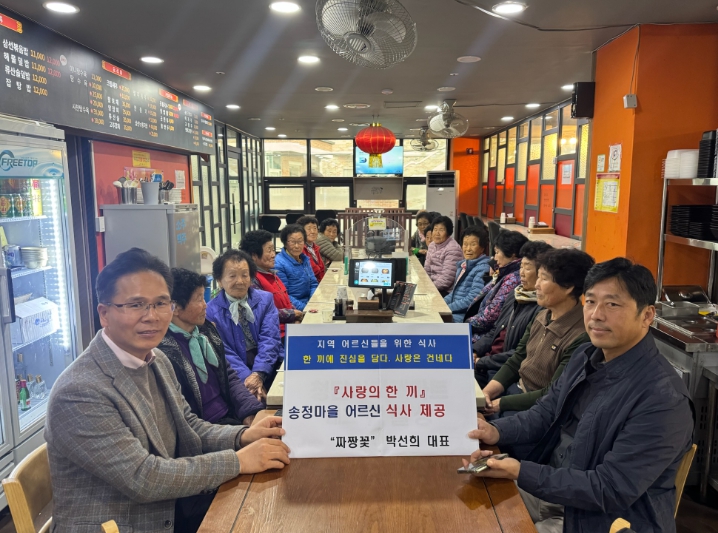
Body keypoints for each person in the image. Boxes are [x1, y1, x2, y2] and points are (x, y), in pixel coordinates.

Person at [45, 248, 290, 533]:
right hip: (131, 523)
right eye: (136, 304)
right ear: (105, 314)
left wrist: (244, 435)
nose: (152, 316)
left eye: (161, 303)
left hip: (175, 505)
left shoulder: (155, 359)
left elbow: (189, 425)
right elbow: (143, 477)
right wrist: (237, 461)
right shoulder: (79, 391)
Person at [464, 258, 694, 533]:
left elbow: (610, 489)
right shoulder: (586, 355)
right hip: (555, 492)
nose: (596, 314)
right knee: (465, 500)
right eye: (591, 301)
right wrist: (496, 431)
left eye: (612, 304)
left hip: (605, 521)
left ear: (646, 315)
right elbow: (546, 412)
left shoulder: (663, 399)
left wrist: (521, 471)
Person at [481, 248, 594, 416]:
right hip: (514, 391)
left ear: (568, 287)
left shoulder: (581, 335)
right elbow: (517, 360)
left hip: (536, 410)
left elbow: (552, 393)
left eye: (544, 279)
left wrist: (500, 404)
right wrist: (487, 393)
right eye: (538, 277)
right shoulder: (542, 315)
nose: (536, 285)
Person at [159, 268, 263, 427]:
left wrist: (250, 411)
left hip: (230, 416)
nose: (205, 305)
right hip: (203, 428)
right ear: (176, 307)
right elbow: (184, 420)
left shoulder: (206, 332)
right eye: (199, 299)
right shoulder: (165, 351)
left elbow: (229, 376)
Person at [473, 240, 553, 387]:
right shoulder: (515, 295)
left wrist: (481, 362)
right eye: (521, 266)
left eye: (527, 268)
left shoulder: (542, 309)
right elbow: (495, 330)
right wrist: (475, 350)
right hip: (487, 363)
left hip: (502, 372)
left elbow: (520, 354)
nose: (521, 273)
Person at [206, 250, 283, 402]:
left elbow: (270, 338)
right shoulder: (210, 312)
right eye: (232, 276)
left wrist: (259, 373)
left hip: (270, 362)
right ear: (220, 280)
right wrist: (248, 378)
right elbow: (223, 352)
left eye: (244, 275)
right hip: (236, 373)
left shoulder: (265, 300)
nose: (240, 281)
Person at [240, 229, 303, 339]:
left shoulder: (272, 274)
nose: (274, 255)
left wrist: (296, 315)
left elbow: (287, 301)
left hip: (290, 328)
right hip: (275, 336)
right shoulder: (252, 280)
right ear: (254, 255)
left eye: (273, 250)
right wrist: (293, 314)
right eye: (269, 251)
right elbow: (263, 312)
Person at [465, 230, 528, 339]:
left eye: (497, 252)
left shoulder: (513, 280)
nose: (495, 258)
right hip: (477, 327)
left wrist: (464, 324)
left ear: (512, 254)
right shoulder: (505, 272)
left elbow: (488, 318)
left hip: (484, 336)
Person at [444, 225, 491, 322]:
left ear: (482, 248)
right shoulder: (464, 265)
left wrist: (446, 309)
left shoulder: (483, 268)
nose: (468, 249)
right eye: (465, 244)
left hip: (465, 316)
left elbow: (473, 299)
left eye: (473, 244)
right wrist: (440, 304)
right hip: (455, 311)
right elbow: (454, 293)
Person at [274, 224, 318, 311]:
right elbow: (284, 295)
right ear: (285, 243)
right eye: (292, 242)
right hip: (295, 308)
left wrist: (313, 302)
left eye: (300, 241)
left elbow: (313, 283)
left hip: (309, 303)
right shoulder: (278, 264)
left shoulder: (304, 259)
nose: (297, 246)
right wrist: (305, 308)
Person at [424, 215, 464, 295]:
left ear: (448, 232)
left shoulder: (453, 248)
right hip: (433, 286)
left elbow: (446, 280)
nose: (437, 233)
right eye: (435, 229)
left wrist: (428, 288)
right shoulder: (432, 245)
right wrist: (424, 283)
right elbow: (427, 269)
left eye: (441, 230)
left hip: (446, 291)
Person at [297, 215, 326, 282]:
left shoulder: (315, 247)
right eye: (309, 229)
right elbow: (312, 271)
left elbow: (321, 269)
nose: (313, 232)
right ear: (301, 231)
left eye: (315, 228)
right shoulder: (299, 249)